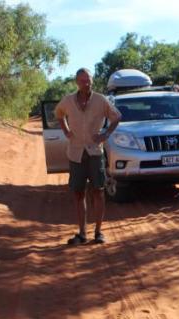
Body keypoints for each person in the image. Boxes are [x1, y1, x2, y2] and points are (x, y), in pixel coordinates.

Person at [54, 68, 121, 245]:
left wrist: (105, 134)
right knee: (78, 193)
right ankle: (82, 233)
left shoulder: (101, 100)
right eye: (83, 80)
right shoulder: (68, 100)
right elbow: (58, 114)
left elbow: (117, 117)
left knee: (98, 191)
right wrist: (66, 130)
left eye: (89, 80)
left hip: (95, 152)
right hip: (76, 153)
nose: (87, 83)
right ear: (77, 82)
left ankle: (98, 232)